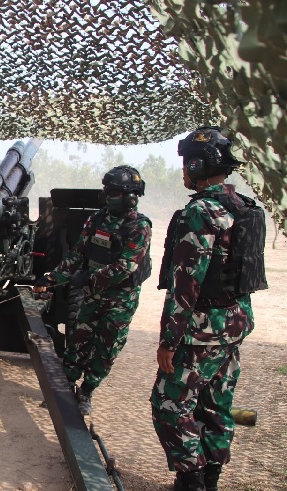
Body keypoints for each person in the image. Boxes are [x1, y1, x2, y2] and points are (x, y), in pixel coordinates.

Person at [151, 126, 267, 491]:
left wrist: (168, 341)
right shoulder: (245, 207)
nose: (184, 170)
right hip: (233, 324)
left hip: (200, 330)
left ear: (199, 165)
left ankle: (192, 480)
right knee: (216, 404)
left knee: (169, 403)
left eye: (187, 163)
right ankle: (211, 478)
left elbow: (187, 284)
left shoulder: (200, 213)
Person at [34, 165, 152, 415]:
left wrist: (87, 279)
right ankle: (65, 389)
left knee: (106, 350)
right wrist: (52, 278)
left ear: (132, 196)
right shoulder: (97, 219)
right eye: (108, 191)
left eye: (116, 192)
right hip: (93, 297)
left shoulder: (138, 227)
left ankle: (87, 391)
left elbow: (125, 267)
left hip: (120, 301)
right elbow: (77, 254)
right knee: (77, 342)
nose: (110, 196)